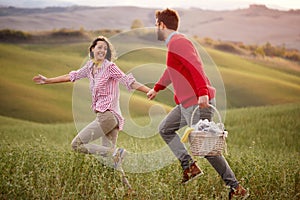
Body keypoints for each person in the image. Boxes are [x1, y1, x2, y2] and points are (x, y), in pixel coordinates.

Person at [147, 8, 249, 199]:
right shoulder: (173, 45)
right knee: (165, 129)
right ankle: (189, 166)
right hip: (186, 103)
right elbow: (172, 71)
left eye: (156, 26)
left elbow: (195, 66)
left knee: (208, 149)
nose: (155, 29)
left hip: (197, 101)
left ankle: (236, 188)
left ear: (162, 25)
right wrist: (157, 88)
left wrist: (202, 92)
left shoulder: (179, 41)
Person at [33, 36, 151, 169]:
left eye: (105, 48)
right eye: (99, 47)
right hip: (111, 118)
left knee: (77, 144)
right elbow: (71, 76)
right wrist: (48, 80)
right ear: (92, 49)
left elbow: (128, 81)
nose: (102, 50)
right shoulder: (89, 67)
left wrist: (149, 90)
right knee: (110, 163)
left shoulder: (110, 67)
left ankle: (116, 152)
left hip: (108, 116)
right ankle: (127, 188)